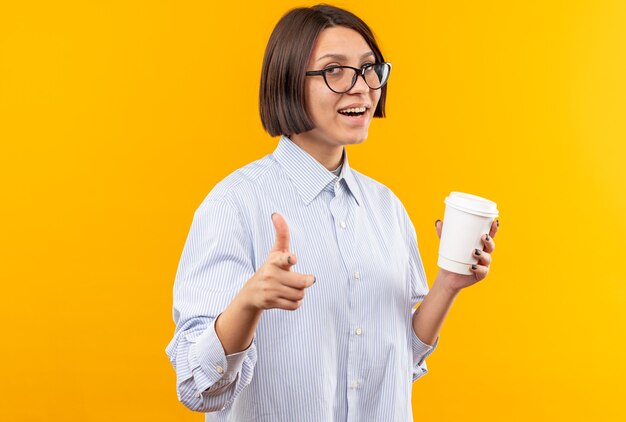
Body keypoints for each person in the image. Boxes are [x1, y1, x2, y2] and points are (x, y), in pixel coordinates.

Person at [166, 4, 499, 421]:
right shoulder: (235, 203)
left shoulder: (386, 208)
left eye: (369, 68)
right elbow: (198, 386)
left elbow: (398, 361)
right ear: (289, 82)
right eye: (334, 71)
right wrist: (249, 302)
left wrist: (448, 284)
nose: (361, 87)